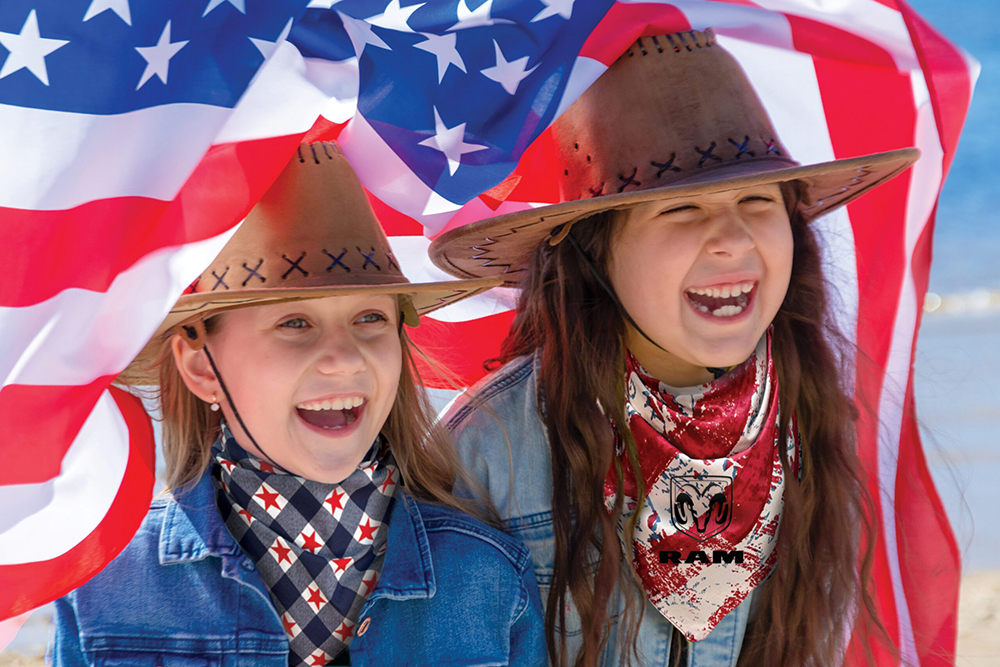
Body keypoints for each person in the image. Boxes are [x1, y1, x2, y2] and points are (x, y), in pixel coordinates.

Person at [429, 28, 918, 667]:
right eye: (681, 208)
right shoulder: (489, 447)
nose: (731, 240)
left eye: (755, 199)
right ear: (593, 249)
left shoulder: (804, 419)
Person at [49, 141, 545, 667]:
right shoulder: (102, 584)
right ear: (200, 367)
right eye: (294, 323)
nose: (343, 359)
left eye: (370, 318)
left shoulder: (490, 578)